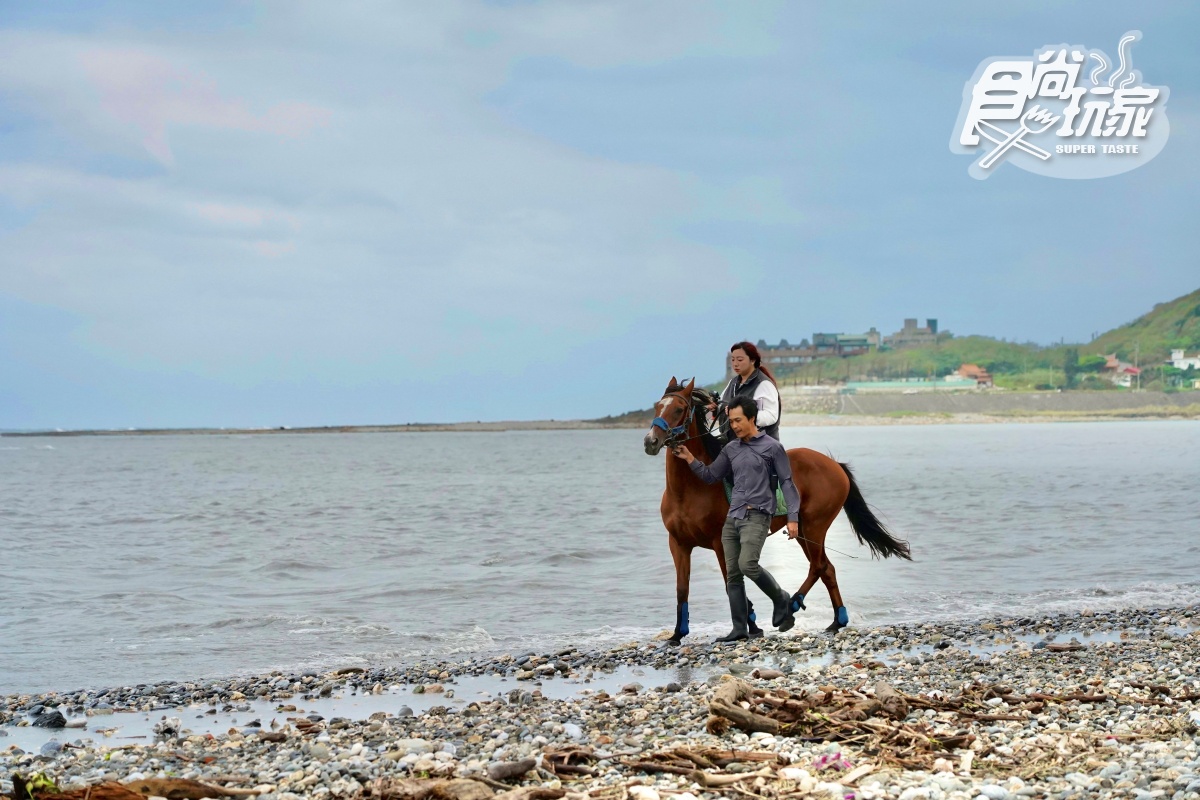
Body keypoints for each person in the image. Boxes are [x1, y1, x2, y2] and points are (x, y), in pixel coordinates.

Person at [673, 396, 801, 643]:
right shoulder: (731, 449)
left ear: (752, 418)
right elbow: (711, 476)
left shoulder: (772, 447)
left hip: (758, 514)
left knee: (748, 565)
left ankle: (780, 598)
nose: (734, 426)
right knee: (733, 574)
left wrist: (792, 518)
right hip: (733, 517)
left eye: (738, 420)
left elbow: (787, 483)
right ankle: (740, 629)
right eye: (731, 421)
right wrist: (690, 458)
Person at [713, 341, 781, 441]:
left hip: (759, 444)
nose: (735, 364)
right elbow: (721, 410)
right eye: (732, 360)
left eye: (740, 360)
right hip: (731, 444)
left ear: (752, 360)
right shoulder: (732, 383)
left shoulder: (763, 384)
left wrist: (742, 414)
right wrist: (712, 410)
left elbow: (771, 416)